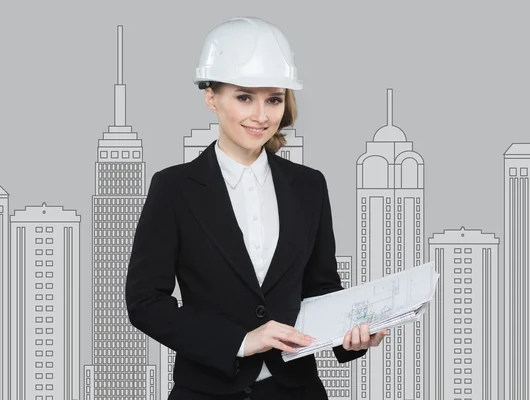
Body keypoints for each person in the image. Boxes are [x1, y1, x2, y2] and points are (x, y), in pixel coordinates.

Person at [125, 16, 388, 400]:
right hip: (208, 391)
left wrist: (351, 337)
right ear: (211, 98)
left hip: (296, 392)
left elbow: (321, 288)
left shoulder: (309, 186)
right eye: (245, 97)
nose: (262, 116)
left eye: (274, 99)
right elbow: (145, 302)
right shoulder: (174, 188)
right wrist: (241, 341)